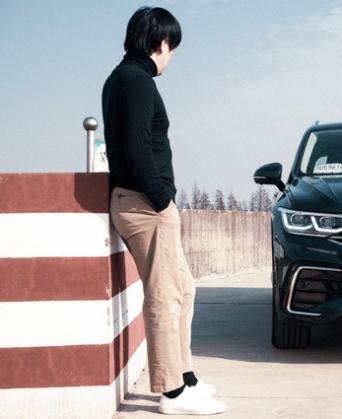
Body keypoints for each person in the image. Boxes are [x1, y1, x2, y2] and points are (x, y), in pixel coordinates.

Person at [102, 6, 226, 415]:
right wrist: (162, 199)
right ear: (161, 42)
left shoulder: (121, 79)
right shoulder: (137, 82)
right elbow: (138, 149)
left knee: (183, 289)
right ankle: (171, 393)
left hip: (140, 202)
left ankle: (184, 376)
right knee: (164, 297)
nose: (171, 56)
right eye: (172, 47)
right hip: (144, 205)